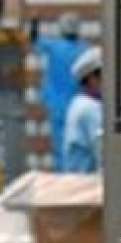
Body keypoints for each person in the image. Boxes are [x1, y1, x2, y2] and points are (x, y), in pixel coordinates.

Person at [33, 11, 88, 170]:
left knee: (59, 143)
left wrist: (34, 25)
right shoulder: (84, 49)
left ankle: (63, 172)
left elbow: (35, 40)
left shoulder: (53, 46)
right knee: (78, 142)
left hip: (57, 104)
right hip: (78, 103)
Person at [63, 47, 103, 174]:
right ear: (91, 79)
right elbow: (105, 155)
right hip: (89, 184)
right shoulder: (89, 109)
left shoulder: (80, 103)